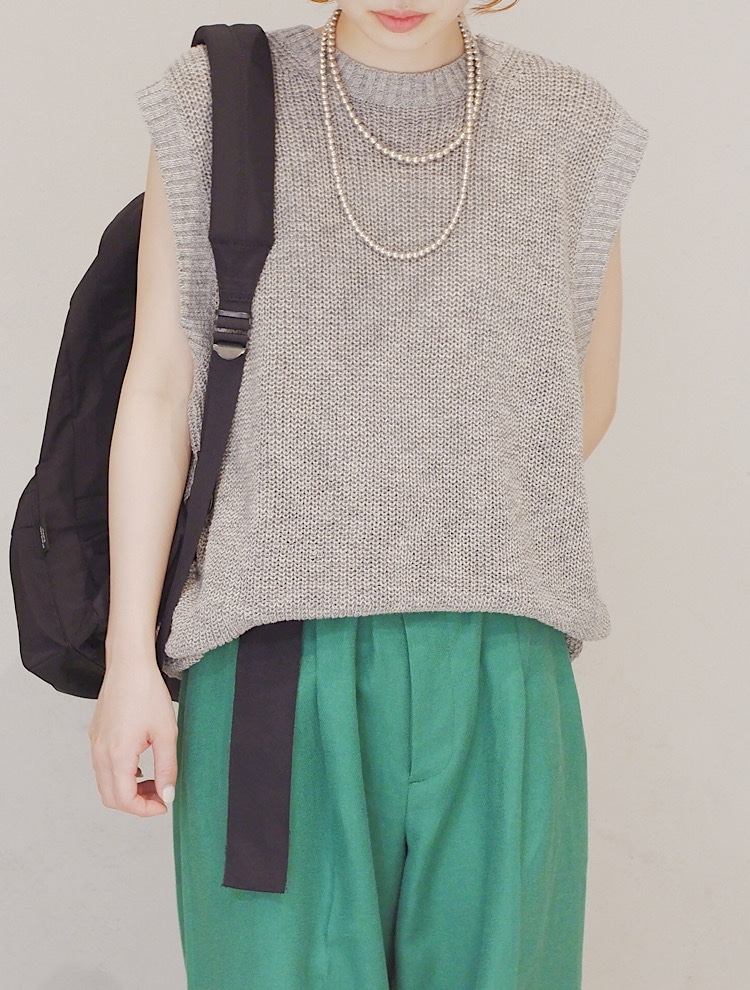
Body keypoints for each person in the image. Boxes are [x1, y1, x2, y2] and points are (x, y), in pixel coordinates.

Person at [88, 1, 649, 987]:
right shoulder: (221, 102)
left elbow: (577, 403)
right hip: (272, 656)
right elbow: (160, 389)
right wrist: (128, 660)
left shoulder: (570, 122)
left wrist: (436, 506)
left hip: (498, 662)